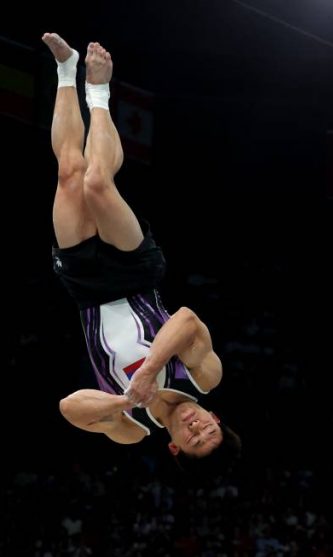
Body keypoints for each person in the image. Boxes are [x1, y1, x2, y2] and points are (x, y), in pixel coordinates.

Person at [42, 32, 241, 476]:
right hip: (136, 274)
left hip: (86, 291)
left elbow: (70, 408)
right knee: (97, 183)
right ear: (215, 417)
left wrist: (125, 400)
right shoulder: (204, 378)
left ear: (175, 448)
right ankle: (99, 89)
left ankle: (64, 69)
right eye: (208, 429)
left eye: (193, 441)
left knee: (71, 174)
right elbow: (186, 319)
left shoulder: (128, 428)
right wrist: (150, 372)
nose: (196, 427)